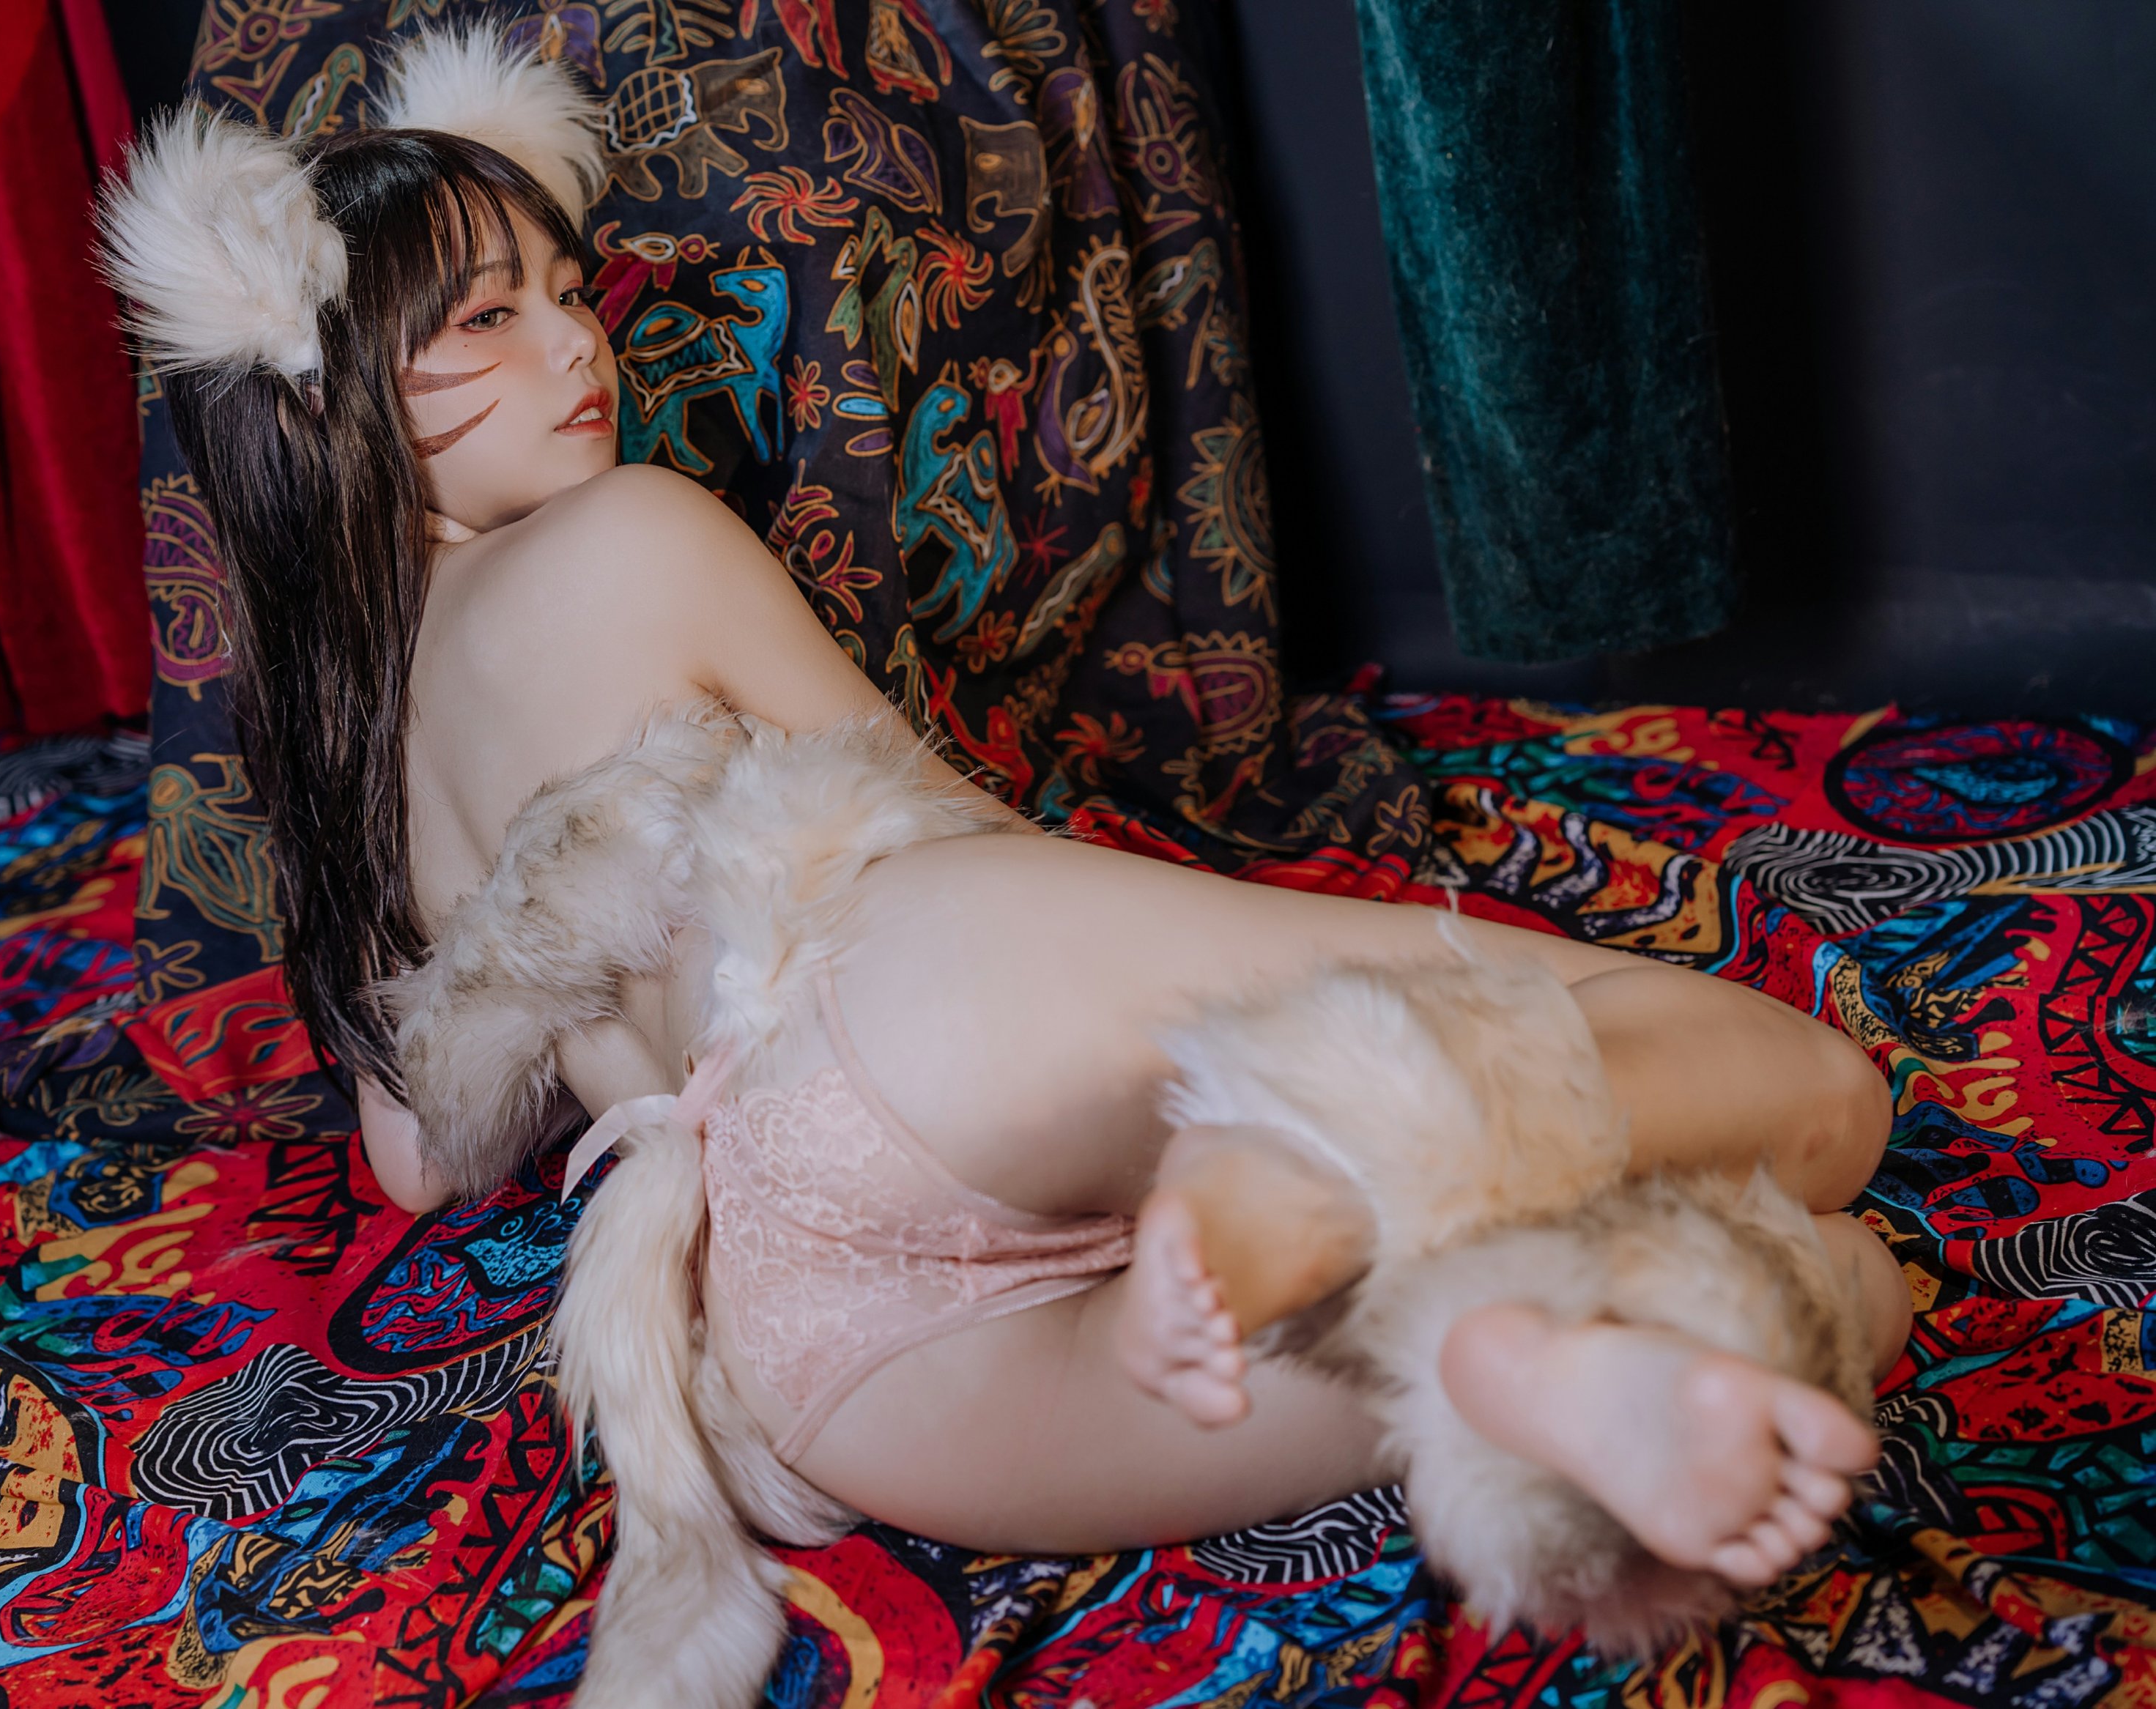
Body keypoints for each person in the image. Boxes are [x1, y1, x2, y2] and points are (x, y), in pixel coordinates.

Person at [102, 27, 1907, 1702]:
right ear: (330, 391)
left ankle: (1501, 1353)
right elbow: (933, 820)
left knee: (1829, 1277)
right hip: (893, 1008)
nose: (579, 346)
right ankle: (1323, 1179)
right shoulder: (634, 526)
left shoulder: (346, 759)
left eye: (569, 293)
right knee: (1812, 1103)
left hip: (792, 1334)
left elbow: (416, 1160)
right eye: (488, 318)